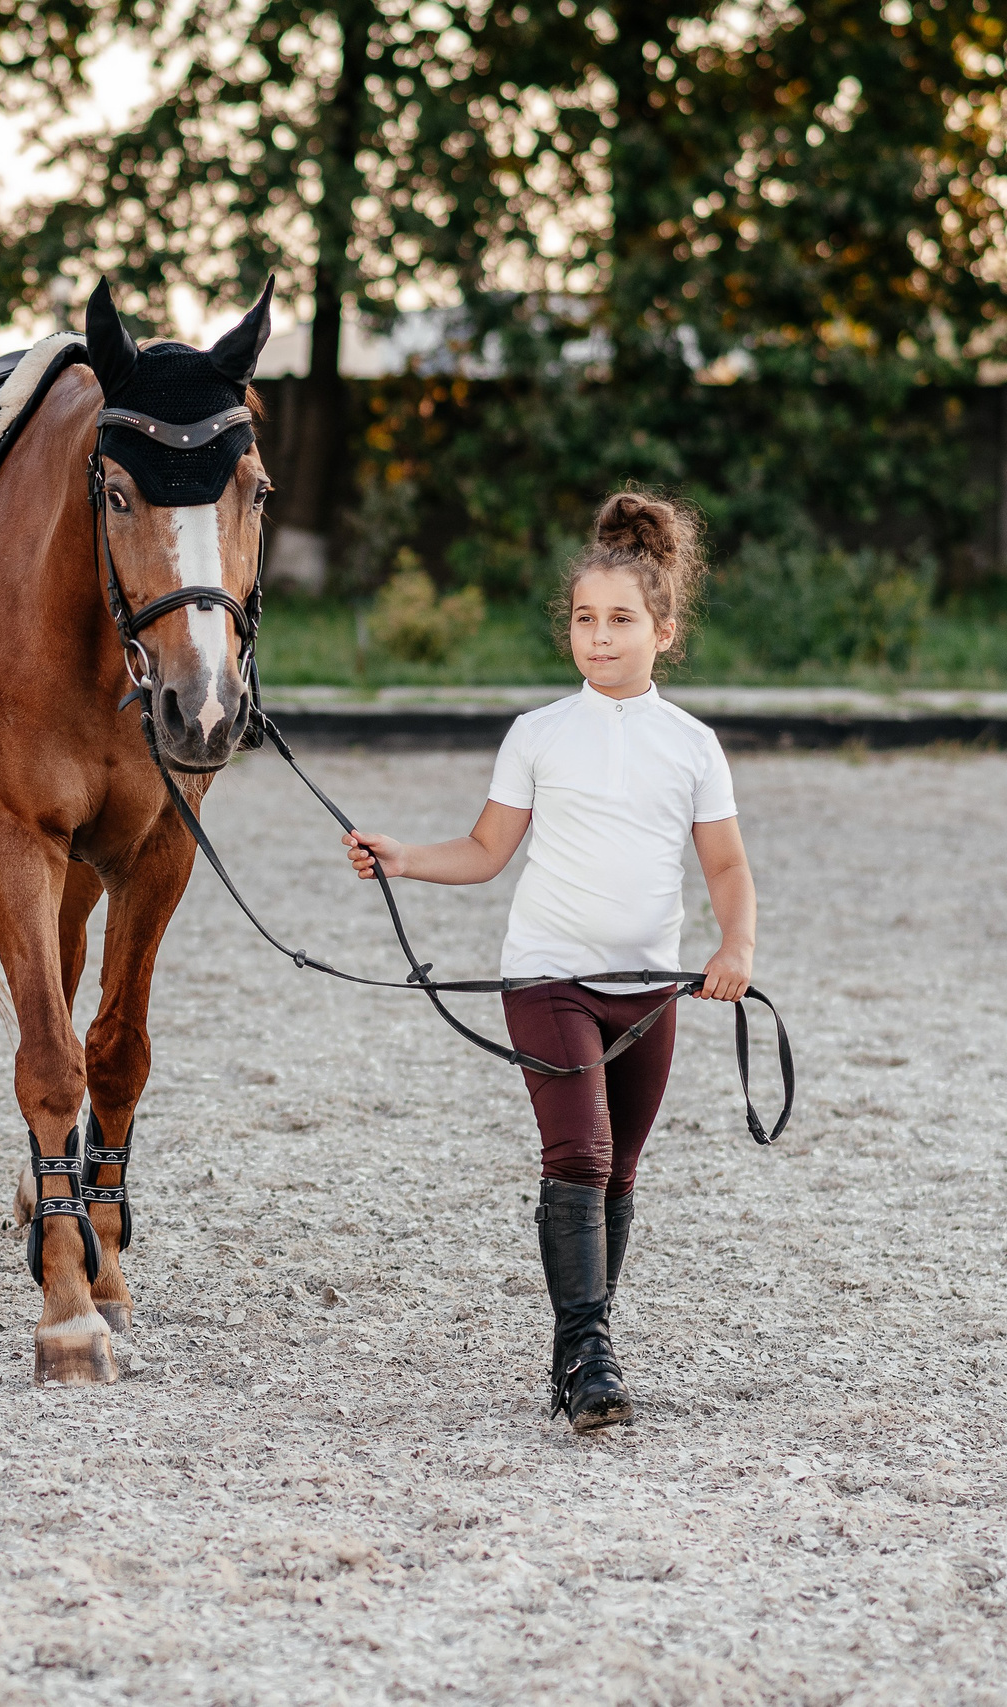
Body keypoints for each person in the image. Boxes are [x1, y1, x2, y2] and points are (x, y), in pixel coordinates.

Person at [340, 491, 756, 1432]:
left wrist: (734, 948)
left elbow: (725, 865)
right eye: (583, 619)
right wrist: (403, 856)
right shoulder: (536, 733)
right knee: (579, 1150)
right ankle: (591, 1350)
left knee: (620, 1173)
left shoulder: (693, 746)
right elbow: (488, 850)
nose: (598, 638)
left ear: (665, 629)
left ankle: (580, 1347)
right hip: (546, 978)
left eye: (620, 620)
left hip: (649, 989)